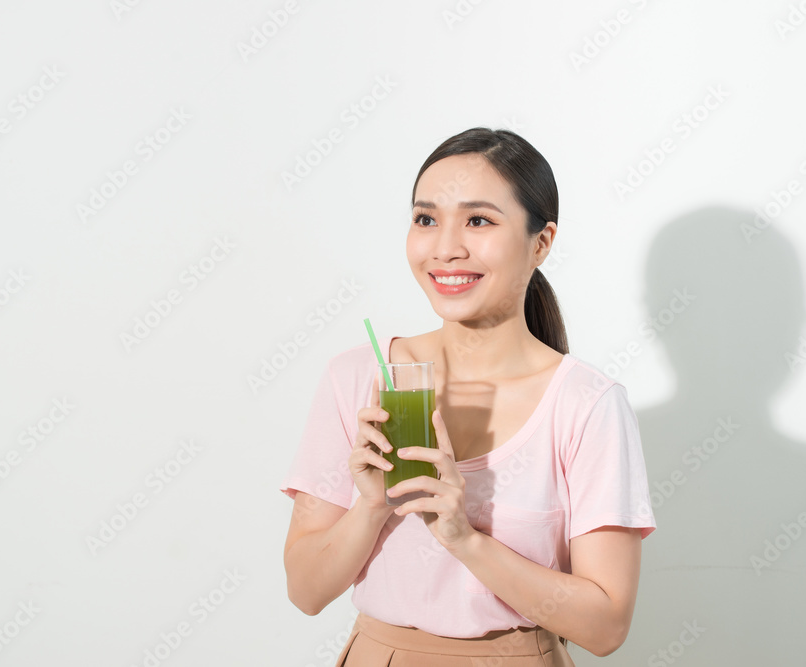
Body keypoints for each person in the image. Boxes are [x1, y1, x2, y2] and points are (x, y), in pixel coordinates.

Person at [280, 127, 656, 666]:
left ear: (541, 243)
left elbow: (606, 626)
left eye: (478, 220)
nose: (445, 248)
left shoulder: (587, 404)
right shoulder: (358, 378)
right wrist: (370, 507)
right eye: (425, 219)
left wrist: (465, 538)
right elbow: (305, 591)